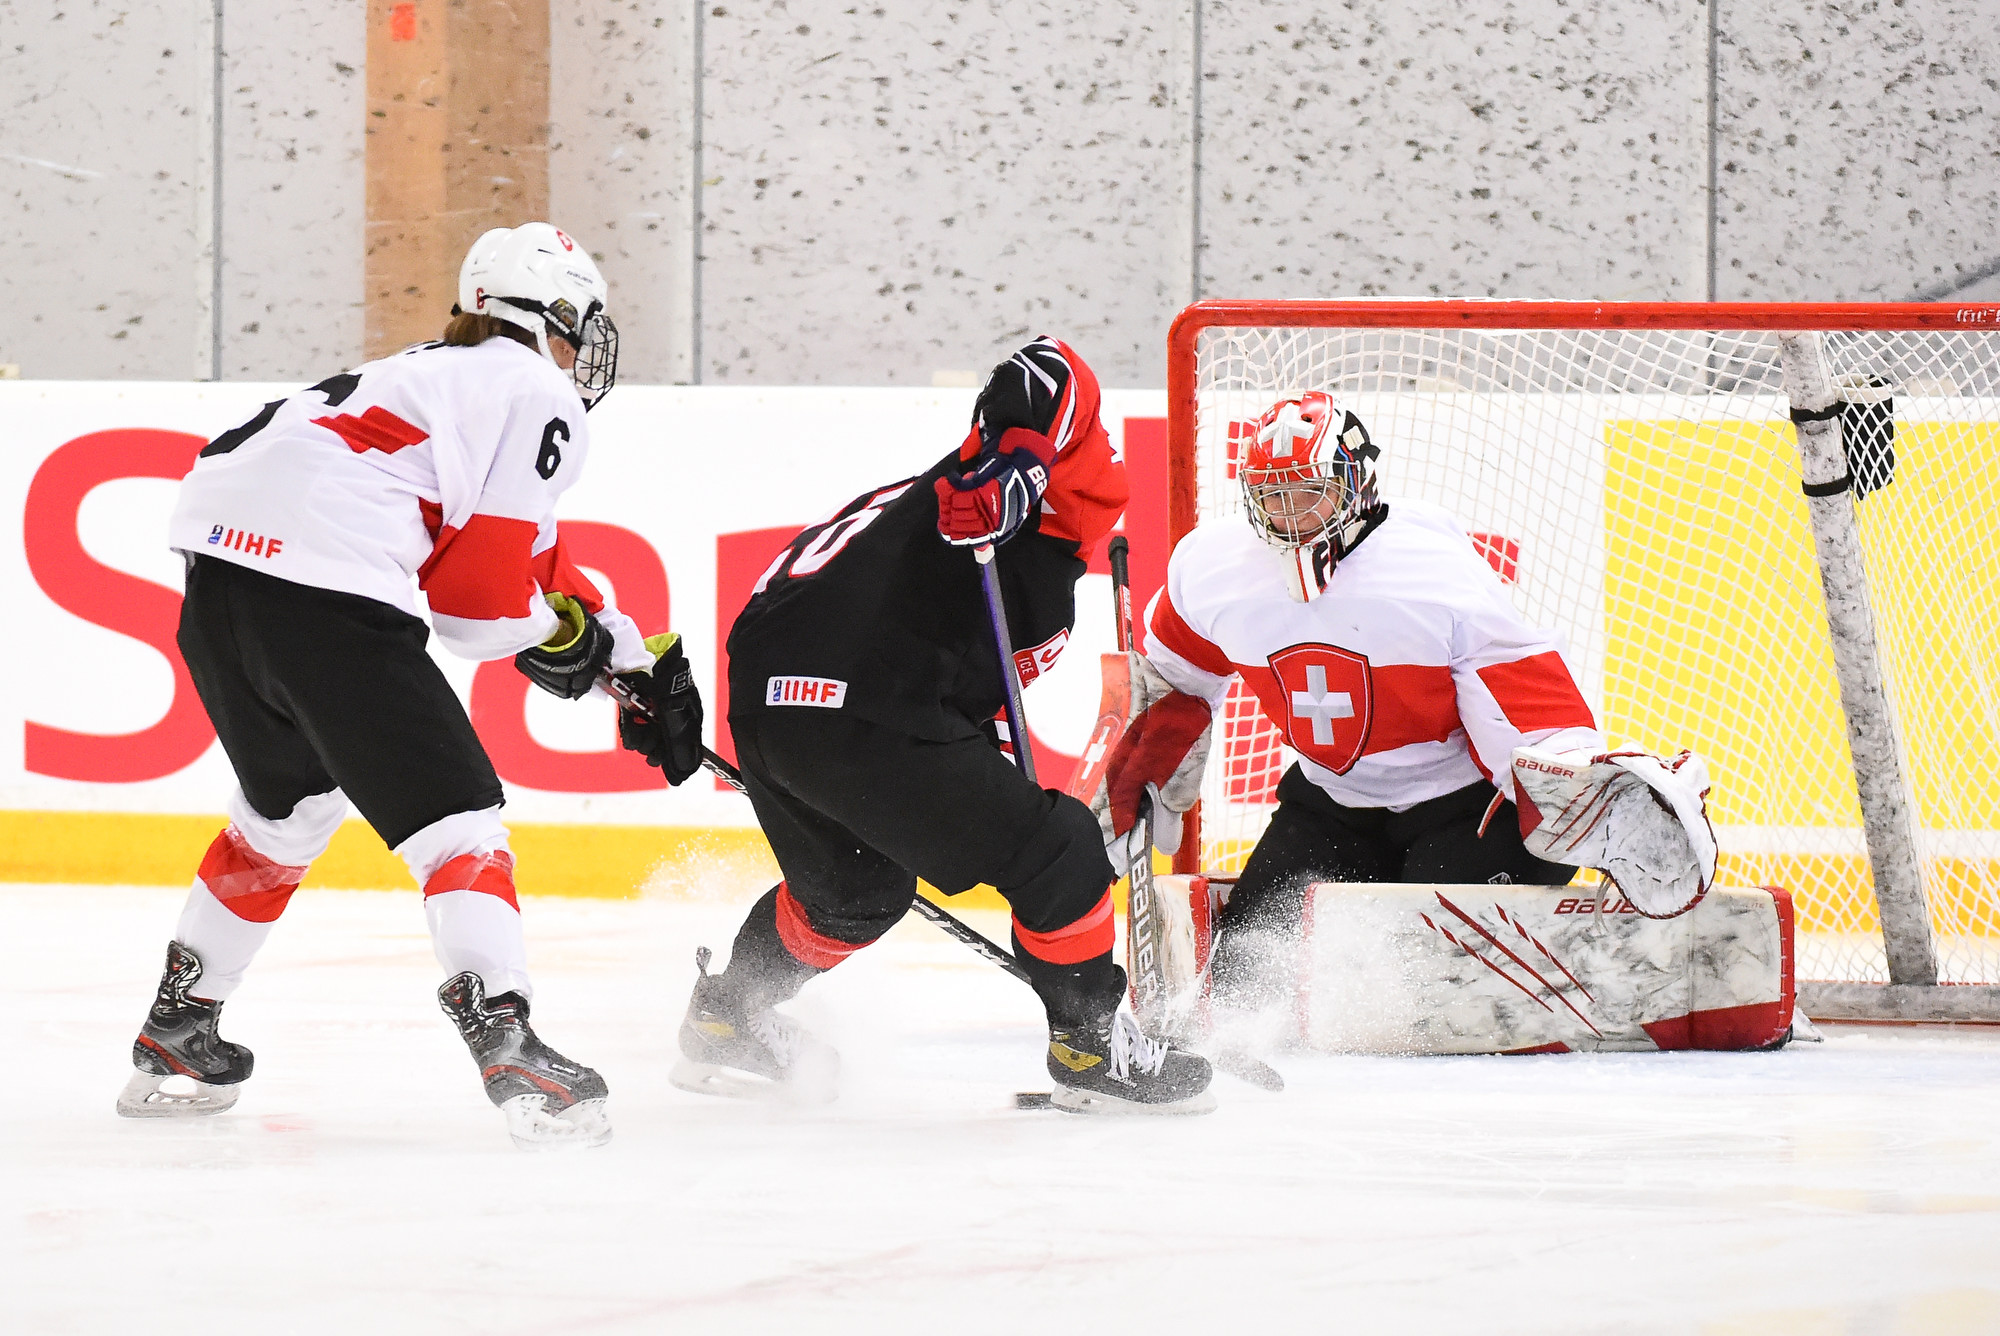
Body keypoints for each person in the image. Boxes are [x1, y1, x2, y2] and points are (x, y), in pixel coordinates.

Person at [117, 223, 706, 1149]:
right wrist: (578, 645)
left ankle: (179, 1030)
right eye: (576, 328)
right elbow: (477, 614)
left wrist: (629, 663)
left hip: (219, 592)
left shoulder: (423, 373)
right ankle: (509, 1044)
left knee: (284, 818)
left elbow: (532, 573)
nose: (577, 354)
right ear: (555, 318)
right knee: (459, 830)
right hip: (327, 599)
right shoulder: (537, 388)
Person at [675, 337, 1214, 1114]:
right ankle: (1091, 1049)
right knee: (1058, 851)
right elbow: (1046, 367)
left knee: (853, 895)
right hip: (857, 699)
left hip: (772, 707)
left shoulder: (917, 515)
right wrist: (1017, 460)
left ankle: (727, 1018)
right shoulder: (991, 490)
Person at [1090, 392, 1714, 1018]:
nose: (1291, 515)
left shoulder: (1429, 565)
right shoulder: (1214, 567)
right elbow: (1175, 683)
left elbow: (1523, 700)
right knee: (1245, 988)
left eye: (1310, 492)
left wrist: (1580, 785)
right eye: (1272, 497)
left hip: (1464, 810)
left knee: (1415, 986)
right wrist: (1134, 770)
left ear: (1354, 482)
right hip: (1332, 803)